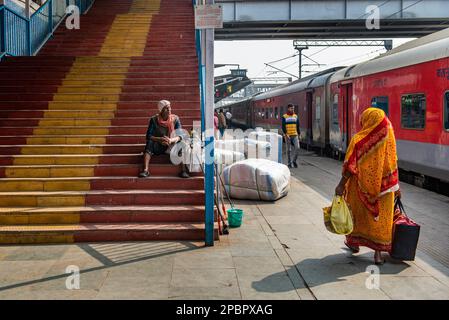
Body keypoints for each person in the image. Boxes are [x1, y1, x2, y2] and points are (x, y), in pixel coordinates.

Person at [335, 108, 400, 265]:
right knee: (380, 221)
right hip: (386, 188)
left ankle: (353, 243)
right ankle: (377, 255)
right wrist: (397, 186)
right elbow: (393, 162)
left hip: (359, 189)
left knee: (356, 216)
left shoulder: (358, 140)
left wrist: (341, 185)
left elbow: (350, 166)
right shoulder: (388, 137)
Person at [139, 100, 190, 178]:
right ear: (161, 110)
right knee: (149, 143)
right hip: (159, 145)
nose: (169, 109)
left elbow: (180, 135)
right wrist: (160, 139)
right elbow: (148, 136)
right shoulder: (154, 119)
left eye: (169, 107)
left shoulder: (175, 119)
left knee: (181, 143)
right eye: (166, 108)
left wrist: (170, 140)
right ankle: (145, 170)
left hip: (171, 146)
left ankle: (183, 171)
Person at [282, 103, 300, 168]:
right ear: (288, 108)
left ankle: (294, 161)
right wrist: (286, 134)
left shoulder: (296, 116)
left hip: (295, 134)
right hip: (287, 135)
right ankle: (289, 163)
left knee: (297, 148)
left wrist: (299, 134)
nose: (293, 109)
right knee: (288, 150)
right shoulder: (284, 116)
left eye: (293, 108)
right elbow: (283, 126)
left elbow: (297, 126)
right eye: (291, 108)